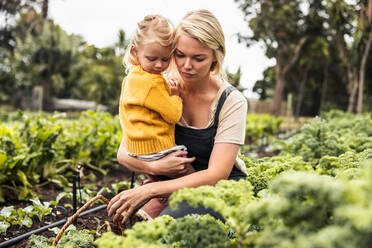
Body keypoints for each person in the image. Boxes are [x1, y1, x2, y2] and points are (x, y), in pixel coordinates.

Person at [108, 9, 248, 224]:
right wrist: (154, 169)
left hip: (220, 189)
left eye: (198, 58)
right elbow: (123, 153)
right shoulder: (160, 88)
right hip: (171, 182)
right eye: (180, 54)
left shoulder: (230, 102)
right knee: (126, 223)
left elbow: (216, 175)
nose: (186, 65)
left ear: (215, 57)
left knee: (169, 225)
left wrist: (152, 189)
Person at [118, 14, 195, 219]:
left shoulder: (131, 78)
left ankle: (154, 192)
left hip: (136, 149)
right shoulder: (154, 83)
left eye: (165, 58)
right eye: (152, 59)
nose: (159, 65)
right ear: (135, 50)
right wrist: (176, 96)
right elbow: (173, 115)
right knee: (190, 174)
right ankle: (167, 196)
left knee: (163, 178)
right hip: (157, 150)